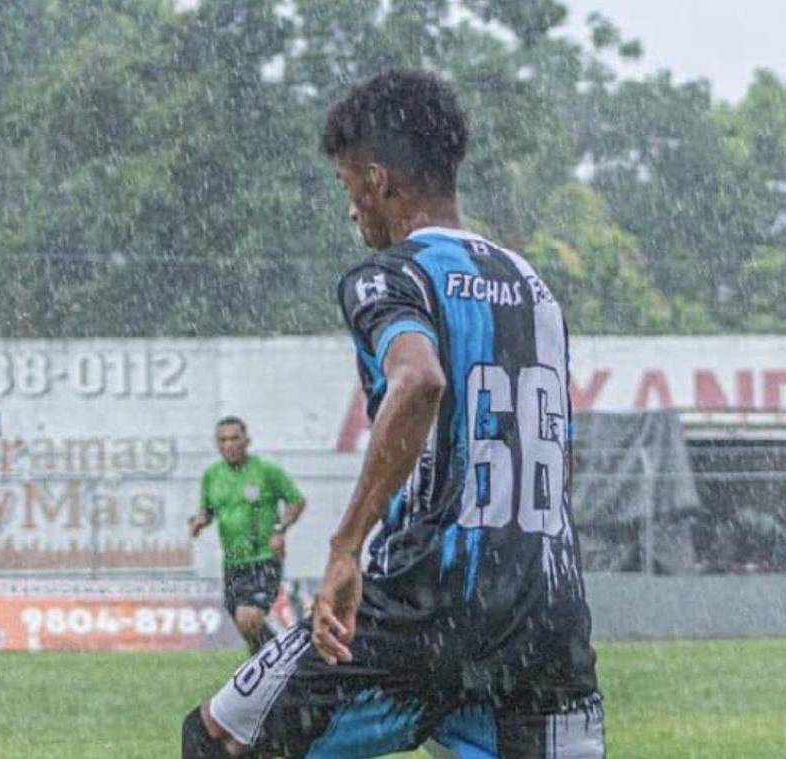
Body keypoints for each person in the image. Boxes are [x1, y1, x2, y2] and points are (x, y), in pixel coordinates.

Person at [182, 69, 604, 758]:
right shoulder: (535, 287)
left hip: (421, 603)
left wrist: (346, 545)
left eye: (350, 189)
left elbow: (419, 379)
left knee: (220, 739)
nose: (353, 212)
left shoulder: (392, 275)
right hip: (542, 613)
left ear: (377, 180)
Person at [190, 416, 306, 655]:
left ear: (247, 440)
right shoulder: (212, 475)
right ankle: (271, 662)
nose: (229, 445)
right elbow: (208, 510)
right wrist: (200, 521)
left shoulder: (266, 471)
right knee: (247, 628)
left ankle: (284, 656)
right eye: (223, 440)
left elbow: (296, 501)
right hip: (233, 562)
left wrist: (279, 529)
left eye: (234, 438)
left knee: (248, 618)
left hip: (263, 557)